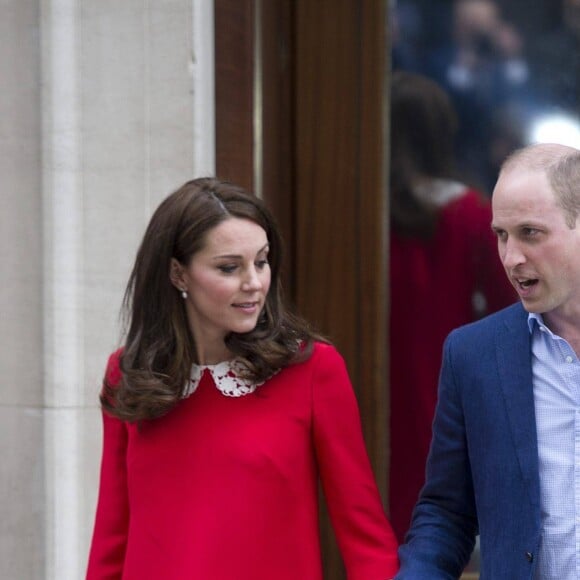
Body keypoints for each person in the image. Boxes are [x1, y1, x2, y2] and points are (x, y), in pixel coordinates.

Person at [85, 177, 399, 580]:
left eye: (262, 261)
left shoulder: (313, 370)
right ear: (178, 274)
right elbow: (112, 535)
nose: (254, 283)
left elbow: (364, 536)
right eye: (229, 267)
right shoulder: (128, 373)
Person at [396, 143, 580, 579]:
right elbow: (447, 513)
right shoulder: (473, 354)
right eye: (501, 234)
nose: (511, 257)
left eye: (530, 233)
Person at [388, 70, 515, 543]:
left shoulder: (353, 215)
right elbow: (513, 309)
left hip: (370, 385)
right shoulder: (470, 216)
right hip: (441, 389)